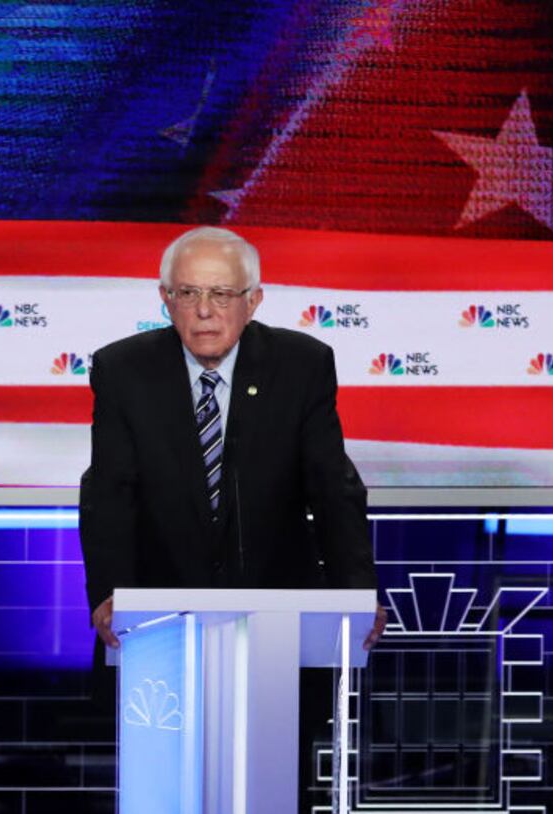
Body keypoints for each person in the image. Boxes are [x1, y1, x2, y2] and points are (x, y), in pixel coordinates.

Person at [78, 226, 384, 651]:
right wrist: (111, 594)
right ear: (165, 300)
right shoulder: (123, 371)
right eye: (187, 294)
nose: (205, 311)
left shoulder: (301, 366)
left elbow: (333, 489)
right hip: (161, 612)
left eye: (221, 294)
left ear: (253, 301)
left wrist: (355, 592)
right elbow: (109, 494)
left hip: (278, 610)